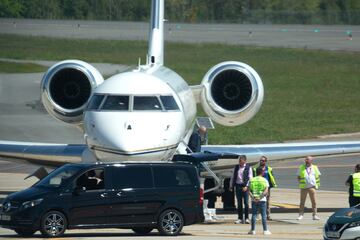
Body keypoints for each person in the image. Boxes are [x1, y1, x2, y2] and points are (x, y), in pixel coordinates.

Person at [229, 155, 253, 224]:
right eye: (239, 161)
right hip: (238, 186)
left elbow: (250, 178)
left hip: (245, 186)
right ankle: (240, 218)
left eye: (241, 161)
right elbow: (233, 177)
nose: (240, 162)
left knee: (246, 203)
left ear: (245, 161)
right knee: (239, 203)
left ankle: (247, 218)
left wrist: (247, 186)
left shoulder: (248, 168)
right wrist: (231, 186)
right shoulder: (236, 167)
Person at [296, 156, 321, 220]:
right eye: (306, 160)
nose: (306, 161)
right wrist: (301, 183)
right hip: (304, 187)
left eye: (308, 160)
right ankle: (301, 215)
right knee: (302, 202)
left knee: (314, 202)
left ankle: (314, 215)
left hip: (312, 187)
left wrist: (316, 186)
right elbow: (298, 176)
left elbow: (317, 177)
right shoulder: (301, 167)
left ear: (311, 161)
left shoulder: (315, 167)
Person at [248, 167, 271, 235]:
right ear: (262, 172)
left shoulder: (252, 180)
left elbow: (249, 190)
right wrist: (260, 197)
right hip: (262, 200)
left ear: (256, 172)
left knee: (254, 215)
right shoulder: (264, 180)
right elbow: (266, 190)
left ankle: (253, 230)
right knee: (263, 215)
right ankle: (265, 230)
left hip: (254, 199)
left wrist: (253, 197)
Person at [253, 156, 277, 220]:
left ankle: (268, 215)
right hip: (258, 187)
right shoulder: (256, 169)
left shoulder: (269, 169)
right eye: (260, 160)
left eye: (263, 160)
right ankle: (257, 215)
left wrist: (270, 186)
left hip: (266, 187)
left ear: (265, 161)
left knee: (267, 202)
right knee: (257, 201)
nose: (261, 161)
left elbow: (271, 178)